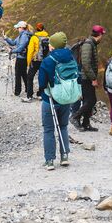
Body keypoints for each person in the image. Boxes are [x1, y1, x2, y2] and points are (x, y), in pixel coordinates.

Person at [37, 32, 75, 170]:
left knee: (48, 130)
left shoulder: (48, 61)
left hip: (50, 98)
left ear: (52, 46)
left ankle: (50, 160)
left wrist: (42, 89)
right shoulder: (71, 58)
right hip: (66, 98)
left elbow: (42, 83)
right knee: (63, 127)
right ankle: (64, 156)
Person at [71, 25, 105, 132]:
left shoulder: (91, 44)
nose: (102, 37)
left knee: (88, 100)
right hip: (86, 78)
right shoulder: (88, 45)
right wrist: (93, 78)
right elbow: (86, 63)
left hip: (87, 77)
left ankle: (86, 123)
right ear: (99, 35)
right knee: (91, 100)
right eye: (102, 35)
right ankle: (75, 117)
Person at [5, 21, 34, 101]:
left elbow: (21, 48)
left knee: (18, 74)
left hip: (21, 58)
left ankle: (17, 91)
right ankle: (27, 89)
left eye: (18, 28)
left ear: (21, 28)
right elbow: (13, 43)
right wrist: (6, 38)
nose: (17, 29)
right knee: (23, 74)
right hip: (22, 57)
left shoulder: (24, 36)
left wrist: (12, 51)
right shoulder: (23, 35)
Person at [25, 22, 50, 102]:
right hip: (44, 61)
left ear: (37, 28)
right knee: (42, 77)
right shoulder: (48, 37)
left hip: (36, 60)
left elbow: (30, 51)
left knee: (30, 77)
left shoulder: (34, 38)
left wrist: (28, 62)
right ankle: (40, 94)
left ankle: (29, 96)